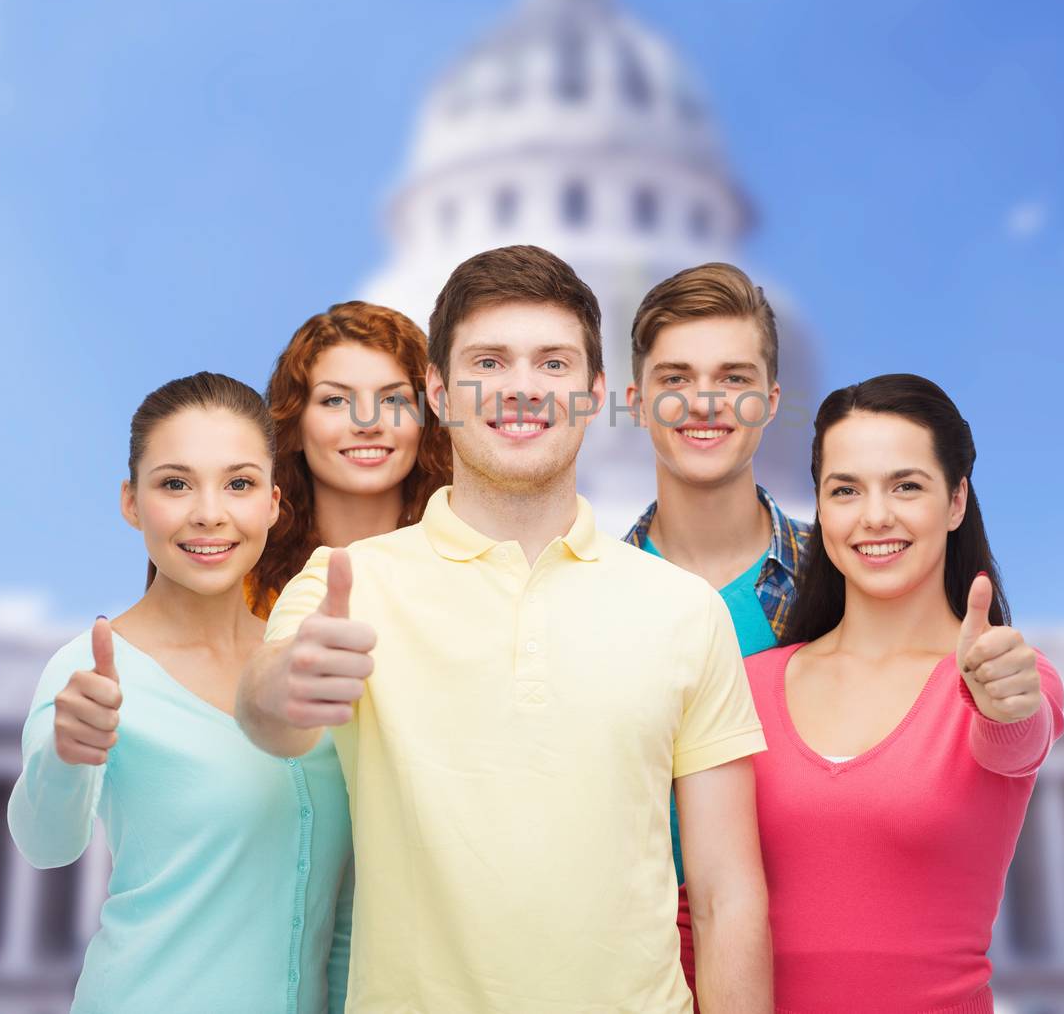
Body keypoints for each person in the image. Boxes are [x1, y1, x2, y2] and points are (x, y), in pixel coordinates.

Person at [238, 245, 774, 1014]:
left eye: (553, 364)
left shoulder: (686, 609)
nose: (522, 387)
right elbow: (266, 713)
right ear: (439, 391)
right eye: (489, 361)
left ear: (593, 394)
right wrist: (284, 685)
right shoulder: (346, 584)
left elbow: (727, 894)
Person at [8, 372, 353, 1014]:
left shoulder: (304, 662)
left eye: (239, 483)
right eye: (175, 483)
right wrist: (65, 757)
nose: (209, 513)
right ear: (131, 502)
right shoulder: (91, 668)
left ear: (274, 503)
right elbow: (45, 843)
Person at [749, 374, 1064, 1014]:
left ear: (955, 502)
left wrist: (1005, 704)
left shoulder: (1002, 673)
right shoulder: (749, 684)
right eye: (845, 490)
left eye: (906, 486)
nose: (874, 516)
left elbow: (1016, 739)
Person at [622, 262, 813, 991]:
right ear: (637, 402)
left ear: (770, 401)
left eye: (733, 379)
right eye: (677, 378)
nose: (705, 402)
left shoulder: (846, 585)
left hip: (821, 963)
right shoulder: (583, 602)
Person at [248, 301, 452, 617]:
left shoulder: (470, 572)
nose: (368, 423)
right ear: (294, 426)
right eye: (336, 400)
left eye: (394, 399)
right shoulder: (245, 588)